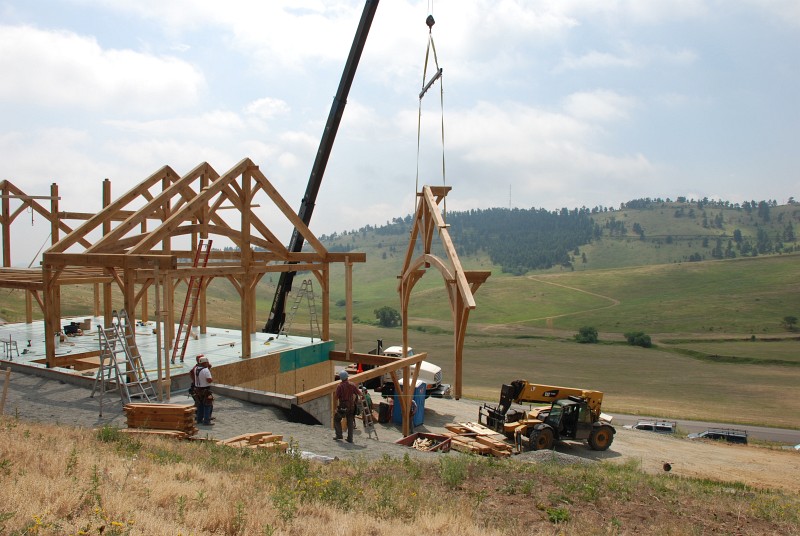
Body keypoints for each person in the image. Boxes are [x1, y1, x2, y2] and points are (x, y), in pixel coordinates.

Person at [333, 370, 360, 443]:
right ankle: (350, 438)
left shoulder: (340, 386)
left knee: (336, 419)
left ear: (341, 378)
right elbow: (359, 393)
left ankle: (339, 435)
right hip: (351, 406)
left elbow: (335, 397)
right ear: (347, 377)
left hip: (343, 406)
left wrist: (335, 408)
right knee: (350, 422)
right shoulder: (352, 385)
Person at [194, 356, 214, 425]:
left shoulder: (196, 369)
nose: (208, 363)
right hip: (205, 389)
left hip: (197, 389)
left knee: (200, 405)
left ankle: (199, 420)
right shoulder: (206, 370)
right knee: (208, 405)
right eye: (207, 362)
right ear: (204, 363)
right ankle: (206, 421)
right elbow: (209, 380)